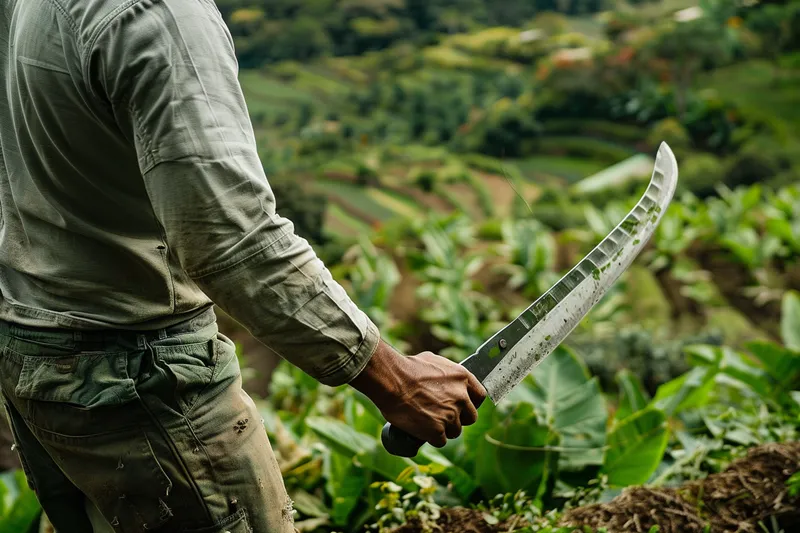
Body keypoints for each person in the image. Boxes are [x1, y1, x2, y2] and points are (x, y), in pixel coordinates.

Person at [0, 0, 487, 531]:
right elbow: (230, 236)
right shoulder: (163, 17)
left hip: (35, 347)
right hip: (135, 374)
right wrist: (394, 380)